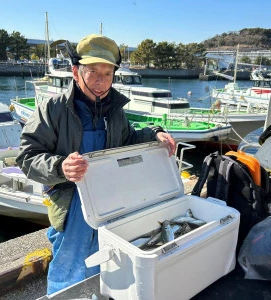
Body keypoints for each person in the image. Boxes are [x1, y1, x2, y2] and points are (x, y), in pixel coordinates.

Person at [16, 33, 176, 295]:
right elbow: (27, 156)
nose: (101, 82)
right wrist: (60, 168)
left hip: (110, 202)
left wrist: (155, 133)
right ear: (76, 71)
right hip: (71, 207)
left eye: (108, 73)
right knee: (68, 269)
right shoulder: (53, 108)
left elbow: (128, 140)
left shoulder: (115, 110)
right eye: (93, 72)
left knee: (106, 262)